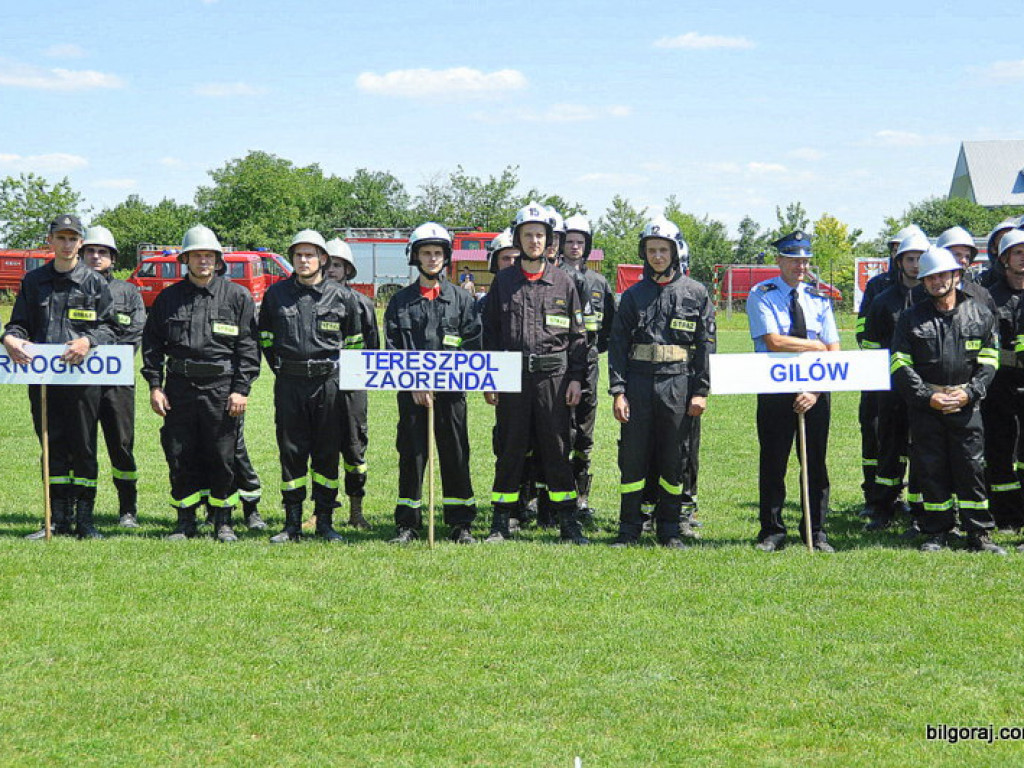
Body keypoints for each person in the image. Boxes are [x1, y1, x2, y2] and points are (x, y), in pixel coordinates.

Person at [141, 225, 260, 542]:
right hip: (179, 388)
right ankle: (185, 521)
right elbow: (152, 346)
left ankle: (223, 521)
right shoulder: (168, 298)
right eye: (196, 255)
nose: (203, 261)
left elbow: (249, 349)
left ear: (218, 260)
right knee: (180, 454)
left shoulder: (237, 297)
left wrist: (241, 389)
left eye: (208, 255)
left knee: (222, 456)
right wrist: (155, 385)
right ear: (186, 259)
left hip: (221, 389)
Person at [2, 214, 117, 539]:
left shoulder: (95, 283)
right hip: (44, 383)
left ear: (80, 243)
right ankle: (54, 519)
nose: (67, 244)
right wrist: (9, 338)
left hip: (82, 382)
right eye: (61, 238)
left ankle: (84, 520)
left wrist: (88, 340)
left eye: (73, 239)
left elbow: (110, 327)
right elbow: (19, 324)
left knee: (83, 447)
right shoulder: (33, 281)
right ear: (50, 241)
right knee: (51, 446)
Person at [482, 202, 588, 544]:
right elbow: (491, 335)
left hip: (553, 381)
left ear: (549, 241)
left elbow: (578, 336)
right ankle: (501, 521)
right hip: (511, 378)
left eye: (540, 235)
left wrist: (575, 378)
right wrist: (491, 379)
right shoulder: (503, 282)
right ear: (518, 239)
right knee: (510, 449)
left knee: (557, 449)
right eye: (527, 235)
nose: (534, 241)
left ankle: (567, 523)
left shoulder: (564, 282)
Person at [607, 217, 714, 548]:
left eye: (663, 250)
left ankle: (669, 528)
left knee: (673, 458)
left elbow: (707, 346)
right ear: (644, 253)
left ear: (675, 252)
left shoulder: (696, 293)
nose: (657, 256)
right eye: (651, 250)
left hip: (678, 386)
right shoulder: (632, 296)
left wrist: (701, 391)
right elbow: (618, 347)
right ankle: (629, 528)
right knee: (633, 458)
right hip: (638, 385)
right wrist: (618, 391)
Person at [890, 246, 1004, 554]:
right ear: (924, 282)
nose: (937, 281)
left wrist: (970, 392)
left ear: (956, 275)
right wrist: (929, 397)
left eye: (943, 274)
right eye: (930, 277)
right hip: (927, 408)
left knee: (972, 468)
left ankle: (978, 534)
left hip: (967, 405)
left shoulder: (979, 313)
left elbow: (990, 360)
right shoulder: (910, 318)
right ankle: (936, 531)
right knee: (931, 468)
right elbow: (900, 363)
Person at [258, 230, 360, 543]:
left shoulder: (342, 297)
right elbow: (266, 338)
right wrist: (282, 368)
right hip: (289, 383)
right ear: (292, 259)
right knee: (291, 452)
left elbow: (355, 343)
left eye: (310, 255)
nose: (304, 260)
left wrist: (342, 380)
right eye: (299, 255)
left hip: (329, 384)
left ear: (322, 259)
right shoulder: (276, 295)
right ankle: (291, 523)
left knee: (327, 453)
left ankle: (325, 522)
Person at [384, 223, 482, 544]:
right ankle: (407, 524)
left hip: (451, 394)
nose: (432, 258)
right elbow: (394, 348)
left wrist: (444, 380)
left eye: (438, 253)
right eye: (425, 253)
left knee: (455, 454)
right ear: (414, 256)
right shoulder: (399, 302)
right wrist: (414, 383)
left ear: (446, 257)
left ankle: (460, 523)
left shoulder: (462, 301)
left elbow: (472, 345)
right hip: (412, 395)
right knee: (411, 455)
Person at [746, 231, 840, 552]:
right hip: (774, 389)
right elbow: (774, 340)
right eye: (794, 259)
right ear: (779, 260)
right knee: (773, 461)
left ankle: (816, 530)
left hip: (814, 391)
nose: (800, 266)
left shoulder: (819, 298)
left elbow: (834, 349)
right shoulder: (762, 293)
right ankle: (772, 531)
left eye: (805, 260)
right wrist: (814, 344)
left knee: (814, 463)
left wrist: (814, 391)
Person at [855, 223, 925, 519]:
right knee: (888, 447)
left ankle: (922, 508)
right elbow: (868, 341)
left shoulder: (932, 297)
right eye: (910, 258)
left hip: (924, 387)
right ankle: (883, 506)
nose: (915, 264)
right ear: (899, 262)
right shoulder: (883, 300)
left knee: (922, 447)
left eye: (921, 257)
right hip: (889, 386)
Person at [82, 225, 146, 528]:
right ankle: (81, 510)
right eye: (91, 251)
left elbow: (135, 331)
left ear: (113, 258)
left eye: (103, 252)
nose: (96, 256)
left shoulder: (128, 292)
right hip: (78, 381)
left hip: (116, 381)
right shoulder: (72, 289)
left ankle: (127, 509)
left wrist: (104, 357)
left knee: (121, 444)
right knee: (81, 446)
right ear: (82, 254)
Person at [560, 214, 615, 526]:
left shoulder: (599, 282)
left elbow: (610, 326)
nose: (575, 247)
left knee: (584, 431)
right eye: (570, 242)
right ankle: (556, 496)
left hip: (590, 361)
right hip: (559, 363)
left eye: (581, 242)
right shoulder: (554, 277)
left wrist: (594, 351)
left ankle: (582, 498)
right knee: (558, 430)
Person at [325, 238, 378, 530]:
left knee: (355, 449)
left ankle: (356, 510)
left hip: (353, 387)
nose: (331, 270)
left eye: (337, 265)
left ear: (348, 269)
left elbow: (374, 351)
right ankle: (322, 511)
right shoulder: (311, 300)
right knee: (323, 449)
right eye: (328, 263)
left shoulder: (363, 304)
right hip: (321, 386)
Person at [979, 229, 1024, 533]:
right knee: (1000, 451)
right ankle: (1005, 515)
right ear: (1004, 258)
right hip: (999, 389)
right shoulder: (991, 298)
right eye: (1018, 252)